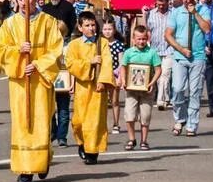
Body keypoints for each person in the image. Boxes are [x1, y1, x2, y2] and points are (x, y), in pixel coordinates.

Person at [0, 0, 64, 182]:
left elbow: (56, 49)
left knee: (40, 121)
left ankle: (41, 161)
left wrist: (37, 64)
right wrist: (18, 51)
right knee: (23, 123)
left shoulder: (48, 22)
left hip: (40, 79)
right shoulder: (10, 24)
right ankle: (26, 169)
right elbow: (0, 50)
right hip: (20, 82)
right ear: (17, 0)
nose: (26, 2)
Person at [65, 12, 112, 165]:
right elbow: (71, 64)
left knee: (94, 121)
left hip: (97, 88)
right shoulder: (74, 44)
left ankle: (92, 152)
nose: (91, 28)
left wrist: (103, 80)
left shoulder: (102, 43)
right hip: (82, 88)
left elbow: (107, 63)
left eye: (93, 25)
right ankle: (81, 142)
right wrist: (89, 62)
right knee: (78, 121)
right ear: (80, 27)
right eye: (87, 25)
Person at [165, 0, 212, 137]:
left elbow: (207, 29)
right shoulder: (176, 12)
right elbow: (168, 35)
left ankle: (192, 124)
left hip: (198, 57)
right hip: (180, 56)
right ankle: (180, 118)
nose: (185, 0)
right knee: (177, 89)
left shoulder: (203, 9)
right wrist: (181, 49)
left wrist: (195, 13)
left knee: (195, 92)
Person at [120, 25, 162, 151]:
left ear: (147, 39)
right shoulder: (128, 52)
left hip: (146, 90)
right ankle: (132, 139)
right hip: (132, 89)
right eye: (138, 39)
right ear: (133, 39)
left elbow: (158, 70)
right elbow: (123, 67)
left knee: (145, 115)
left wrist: (152, 83)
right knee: (129, 115)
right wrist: (123, 80)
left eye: (143, 39)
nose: (141, 41)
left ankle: (144, 141)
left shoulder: (152, 52)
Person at [145, 0, 173, 110]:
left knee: (165, 75)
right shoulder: (151, 14)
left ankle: (160, 100)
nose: (161, 7)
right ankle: (166, 97)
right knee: (157, 76)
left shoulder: (173, 14)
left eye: (163, 4)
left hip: (169, 49)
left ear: (167, 2)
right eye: (159, 4)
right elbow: (147, 30)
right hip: (154, 49)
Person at [101, 16, 125, 133]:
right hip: (102, 75)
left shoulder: (119, 45)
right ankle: (103, 124)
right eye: (105, 29)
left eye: (109, 29)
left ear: (114, 30)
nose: (107, 31)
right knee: (103, 102)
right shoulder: (99, 44)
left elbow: (121, 63)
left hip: (114, 75)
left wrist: (120, 78)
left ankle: (116, 123)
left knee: (114, 101)